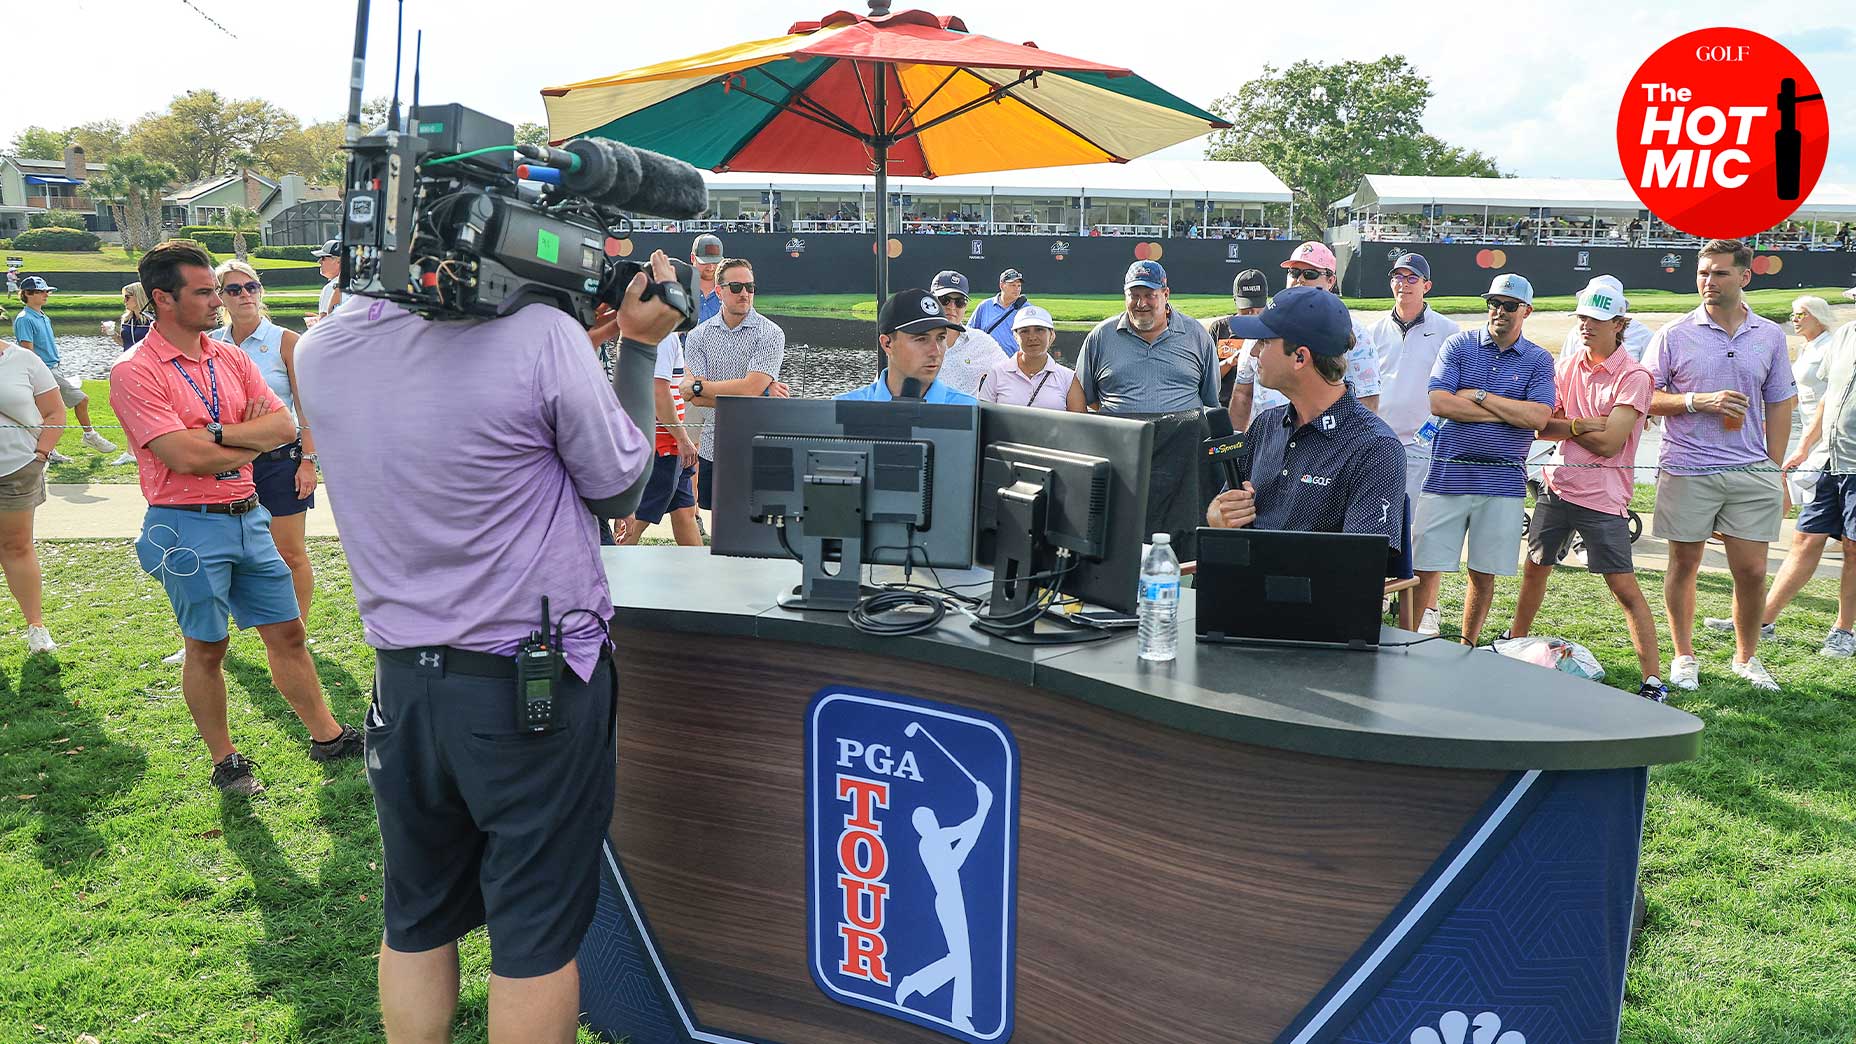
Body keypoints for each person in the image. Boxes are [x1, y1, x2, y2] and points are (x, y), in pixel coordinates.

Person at [296, 241, 677, 1044]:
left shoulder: (326, 345)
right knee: (535, 929)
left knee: (417, 914)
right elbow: (619, 486)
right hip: (526, 686)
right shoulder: (540, 335)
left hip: (403, 685)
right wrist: (636, 348)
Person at [108, 240, 362, 797]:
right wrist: (243, 442)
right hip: (185, 524)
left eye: (219, 290)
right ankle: (226, 760)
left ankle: (328, 736)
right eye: (204, 292)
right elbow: (183, 456)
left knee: (289, 632)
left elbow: (284, 428)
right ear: (162, 299)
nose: (219, 300)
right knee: (207, 646)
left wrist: (219, 436)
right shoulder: (135, 370)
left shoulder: (232, 357)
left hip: (250, 515)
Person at [1642, 239, 1796, 692]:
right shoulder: (1673, 334)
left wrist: (1773, 465)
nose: (1708, 282)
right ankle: (1684, 656)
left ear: (1744, 277)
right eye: (1703, 273)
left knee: (1750, 570)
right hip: (1688, 466)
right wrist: (1696, 401)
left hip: (1752, 470)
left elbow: (1781, 401)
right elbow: (1645, 397)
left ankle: (1747, 658)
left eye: (1720, 273)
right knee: (1684, 563)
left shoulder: (1769, 335)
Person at [1506, 283, 1665, 701]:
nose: (1585, 326)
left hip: (1604, 498)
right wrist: (1585, 424)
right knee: (1535, 568)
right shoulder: (1568, 365)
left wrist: (1570, 424)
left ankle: (1653, 679)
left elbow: (1613, 443)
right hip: (1557, 485)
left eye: (1595, 320)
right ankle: (1512, 644)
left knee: (1623, 587)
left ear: (1618, 324)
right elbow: (1543, 426)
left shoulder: (1635, 376)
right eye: (1581, 319)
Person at [1203, 287, 1406, 567]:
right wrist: (1218, 515)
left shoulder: (1375, 449)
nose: (1255, 353)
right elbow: (1224, 505)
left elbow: (1361, 568)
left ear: (1300, 357)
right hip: (1244, 598)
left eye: (1264, 342)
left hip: (1314, 606)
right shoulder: (1266, 424)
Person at [1410, 273, 1556, 645]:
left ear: (1527, 311)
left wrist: (1477, 396)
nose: (1499, 312)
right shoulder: (1459, 344)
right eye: (1493, 303)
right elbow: (1440, 402)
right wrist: (1510, 411)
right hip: (1447, 474)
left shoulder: (1539, 359)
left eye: (1509, 306)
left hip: (1503, 483)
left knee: (1483, 572)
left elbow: (1538, 418)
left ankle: (1468, 646)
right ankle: (1406, 644)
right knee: (1425, 566)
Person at [1708, 311, 1856, 658]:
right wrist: (1805, 447)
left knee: (1853, 548)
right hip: (1831, 461)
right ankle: (1761, 620)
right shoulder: (1847, 334)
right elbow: (1828, 399)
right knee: (1804, 540)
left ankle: (1844, 630)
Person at [1077, 260, 1219, 553]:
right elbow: (1087, 397)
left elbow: (1209, 399)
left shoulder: (1196, 335)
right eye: (1134, 295)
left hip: (1182, 457)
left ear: (1166, 294)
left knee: (1185, 532)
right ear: (1125, 295)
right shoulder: (1101, 337)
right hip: (1121, 450)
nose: (1141, 303)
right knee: (1116, 532)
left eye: (1150, 294)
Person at [208, 260, 319, 622]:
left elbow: (307, 409)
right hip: (226, 463)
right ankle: (209, 635)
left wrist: (307, 460)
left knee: (290, 553)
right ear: (220, 297)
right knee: (221, 555)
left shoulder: (286, 341)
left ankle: (297, 632)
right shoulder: (210, 344)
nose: (245, 295)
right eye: (234, 289)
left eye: (251, 287)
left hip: (279, 462)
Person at [1361, 253, 1461, 631]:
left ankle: (1427, 606)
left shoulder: (1448, 331)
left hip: (1425, 444)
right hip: (1379, 443)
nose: (1403, 284)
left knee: (1422, 529)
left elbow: (1456, 387)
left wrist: (1433, 429)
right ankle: (1380, 593)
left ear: (1426, 285)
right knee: (1376, 523)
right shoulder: (1373, 331)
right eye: (1397, 277)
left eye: (1412, 278)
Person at [679, 259, 787, 512]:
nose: (745, 294)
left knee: (760, 527)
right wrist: (758, 392)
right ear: (719, 291)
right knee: (720, 529)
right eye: (736, 287)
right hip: (713, 445)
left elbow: (748, 389)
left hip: (759, 448)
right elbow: (747, 392)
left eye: (750, 287)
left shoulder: (771, 333)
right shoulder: (697, 336)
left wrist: (697, 388)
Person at [0, 334, 67, 653]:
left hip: (16, 469)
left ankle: (36, 627)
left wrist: (41, 454)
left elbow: (55, 413)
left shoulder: (23, 360)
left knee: (16, 547)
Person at [12, 276, 118, 461]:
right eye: (41, 291)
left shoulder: (43, 316)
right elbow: (27, 352)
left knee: (47, 414)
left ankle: (50, 451)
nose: (47, 294)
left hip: (54, 368)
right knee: (80, 400)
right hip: (44, 370)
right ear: (28, 294)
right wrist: (39, 373)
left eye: (47, 291)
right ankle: (89, 435)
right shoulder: (24, 319)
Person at [619, 329, 701, 546]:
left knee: (685, 514)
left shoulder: (657, 335)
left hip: (669, 443)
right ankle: (611, 569)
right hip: (663, 445)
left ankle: (700, 573)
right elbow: (659, 391)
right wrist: (683, 439)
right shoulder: (665, 337)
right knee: (637, 521)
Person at [1278, 242, 1379, 413]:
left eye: (1310, 274)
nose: (1300, 279)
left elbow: (1367, 401)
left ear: (1331, 280)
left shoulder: (1353, 330)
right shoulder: (1271, 323)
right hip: (1273, 434)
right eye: (1294, 272)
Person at [837, 288, 978, 404]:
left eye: (941, 338)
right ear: (887, 344)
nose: (936, 351)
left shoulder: (970, 410)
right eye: (921, 339)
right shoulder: (843, 408)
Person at [976, 305, 1082, 411]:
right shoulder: (996, 373)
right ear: (1015, 336)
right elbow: (983, 419)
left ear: (1052, 335)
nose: (1032, 337)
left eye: (1039, 330)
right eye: (1024, 331)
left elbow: (1080, 424)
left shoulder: (1068, 378)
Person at [928, 270, 1004, 398]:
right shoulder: (914, 338)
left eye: (960, 302)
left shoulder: (981, 342)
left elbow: (1009, 375)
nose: (952, 307)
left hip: (965, 416)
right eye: (944, 300)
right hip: (924, 415)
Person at [1209, 268, 1270, 426]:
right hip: (1224, 410)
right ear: (1235, 300)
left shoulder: (1274, 331)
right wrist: (1230, 362)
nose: (1252, 315)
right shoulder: (1219, 329)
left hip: (1261, 412)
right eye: (1247, 310)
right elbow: (1208, 379)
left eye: (1258, 309)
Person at [1556, 276, 1652, 364]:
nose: (1587, 325)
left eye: (1597, 319)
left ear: (1618, 324)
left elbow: (1651, 376)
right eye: (1583, 317)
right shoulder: (1576, 332)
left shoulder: (1643, 334)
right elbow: (1565, 366)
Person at [969, 268, 1029, 356]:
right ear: (1002, 285)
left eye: (1019, 285)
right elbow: (970, 332)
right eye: (1013, 285)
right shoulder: (985, 306)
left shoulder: (1026, 309)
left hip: (1014, 362)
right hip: (985, 360)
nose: (1017, 289)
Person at [691, 233, 725, 323]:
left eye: (715, 262)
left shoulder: (729, 292)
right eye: (705, 262)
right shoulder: (680, 291)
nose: (711, 267)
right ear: (692, 258)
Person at [312, 240, 343, 319]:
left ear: (338, 261)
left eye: (323, 258)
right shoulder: (356, 285)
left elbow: (325, 323)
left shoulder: (331, 287)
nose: (319, 261)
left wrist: (316, 323)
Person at [118, 282, 153, 349]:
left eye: (127, 297)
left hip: (147, 358)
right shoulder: (126, 319)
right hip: (130, 358)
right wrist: (112, 334)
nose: (124, 301)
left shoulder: (152, 321)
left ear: (138, 297)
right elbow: (126, 343)